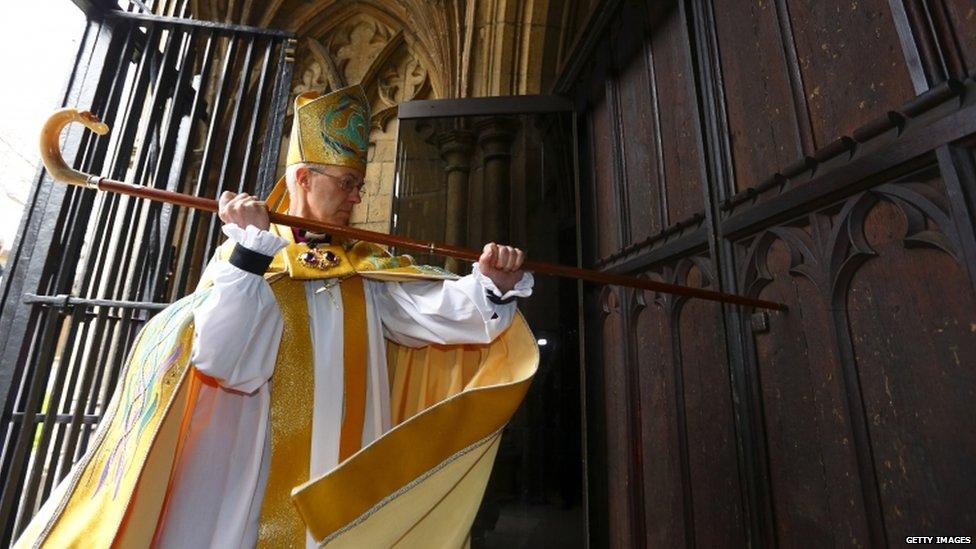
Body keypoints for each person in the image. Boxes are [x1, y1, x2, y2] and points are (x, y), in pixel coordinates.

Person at [14, 85, 539, 548]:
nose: (357, 197)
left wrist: (491, 283)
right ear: (304, 178)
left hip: (347, 467)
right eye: (347, 182)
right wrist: (248, 252)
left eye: (359, 184)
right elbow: (228, 364)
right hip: (256, 471)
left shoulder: (362, 267)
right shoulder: (247, 261)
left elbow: (434, 313)